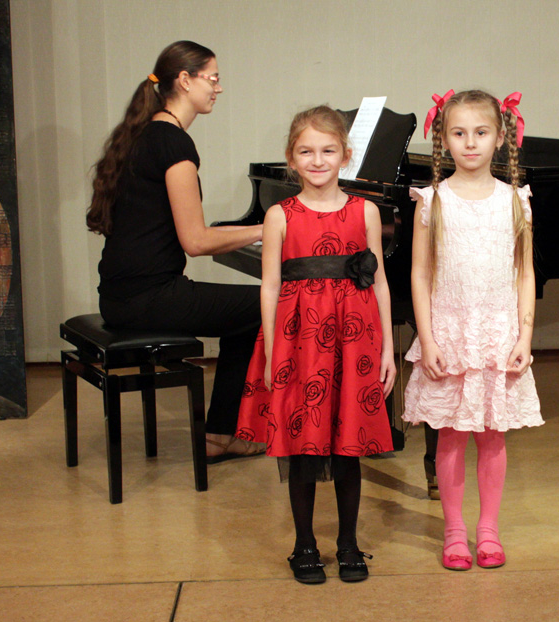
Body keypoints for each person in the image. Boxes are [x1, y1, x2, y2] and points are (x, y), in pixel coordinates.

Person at [235, 106, 396, 584]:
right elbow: (269, 286)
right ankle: (304, 543)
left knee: (348, 446)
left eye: (328, 150)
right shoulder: (279, 216)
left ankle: (348, 543)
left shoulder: (365, 211)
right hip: (299, 343)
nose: (318, 160)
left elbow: (379, 282)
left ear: (345, 155)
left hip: (354, 339)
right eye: (306, 151)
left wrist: (387, 349)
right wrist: (270, 353)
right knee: (303, 444)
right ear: (291, 158)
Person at [86, 41, 265, 463]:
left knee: (247, 311)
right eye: (213, 78)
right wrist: (267, 229)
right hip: (149, 298)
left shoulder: (144, 134)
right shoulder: (174, 144)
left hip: (119, 296)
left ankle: (222, 431)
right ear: (185, 80)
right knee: (263, 306)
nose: (218, 88)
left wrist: (244, 232)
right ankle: (220, 435)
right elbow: (196, 242)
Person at [402, 90, 543, 571]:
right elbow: (420, 274)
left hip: (498, 336)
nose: (470, 143)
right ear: (444, 138)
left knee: (493, 437)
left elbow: (525, 273)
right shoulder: (432, 200)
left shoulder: (516, 200)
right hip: (451, 335)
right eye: (458, 133)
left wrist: (524, 336)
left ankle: (488, 530)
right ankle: (454, 532)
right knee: (451, 437)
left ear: (500, 137)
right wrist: (428, 339)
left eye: (480, 133)